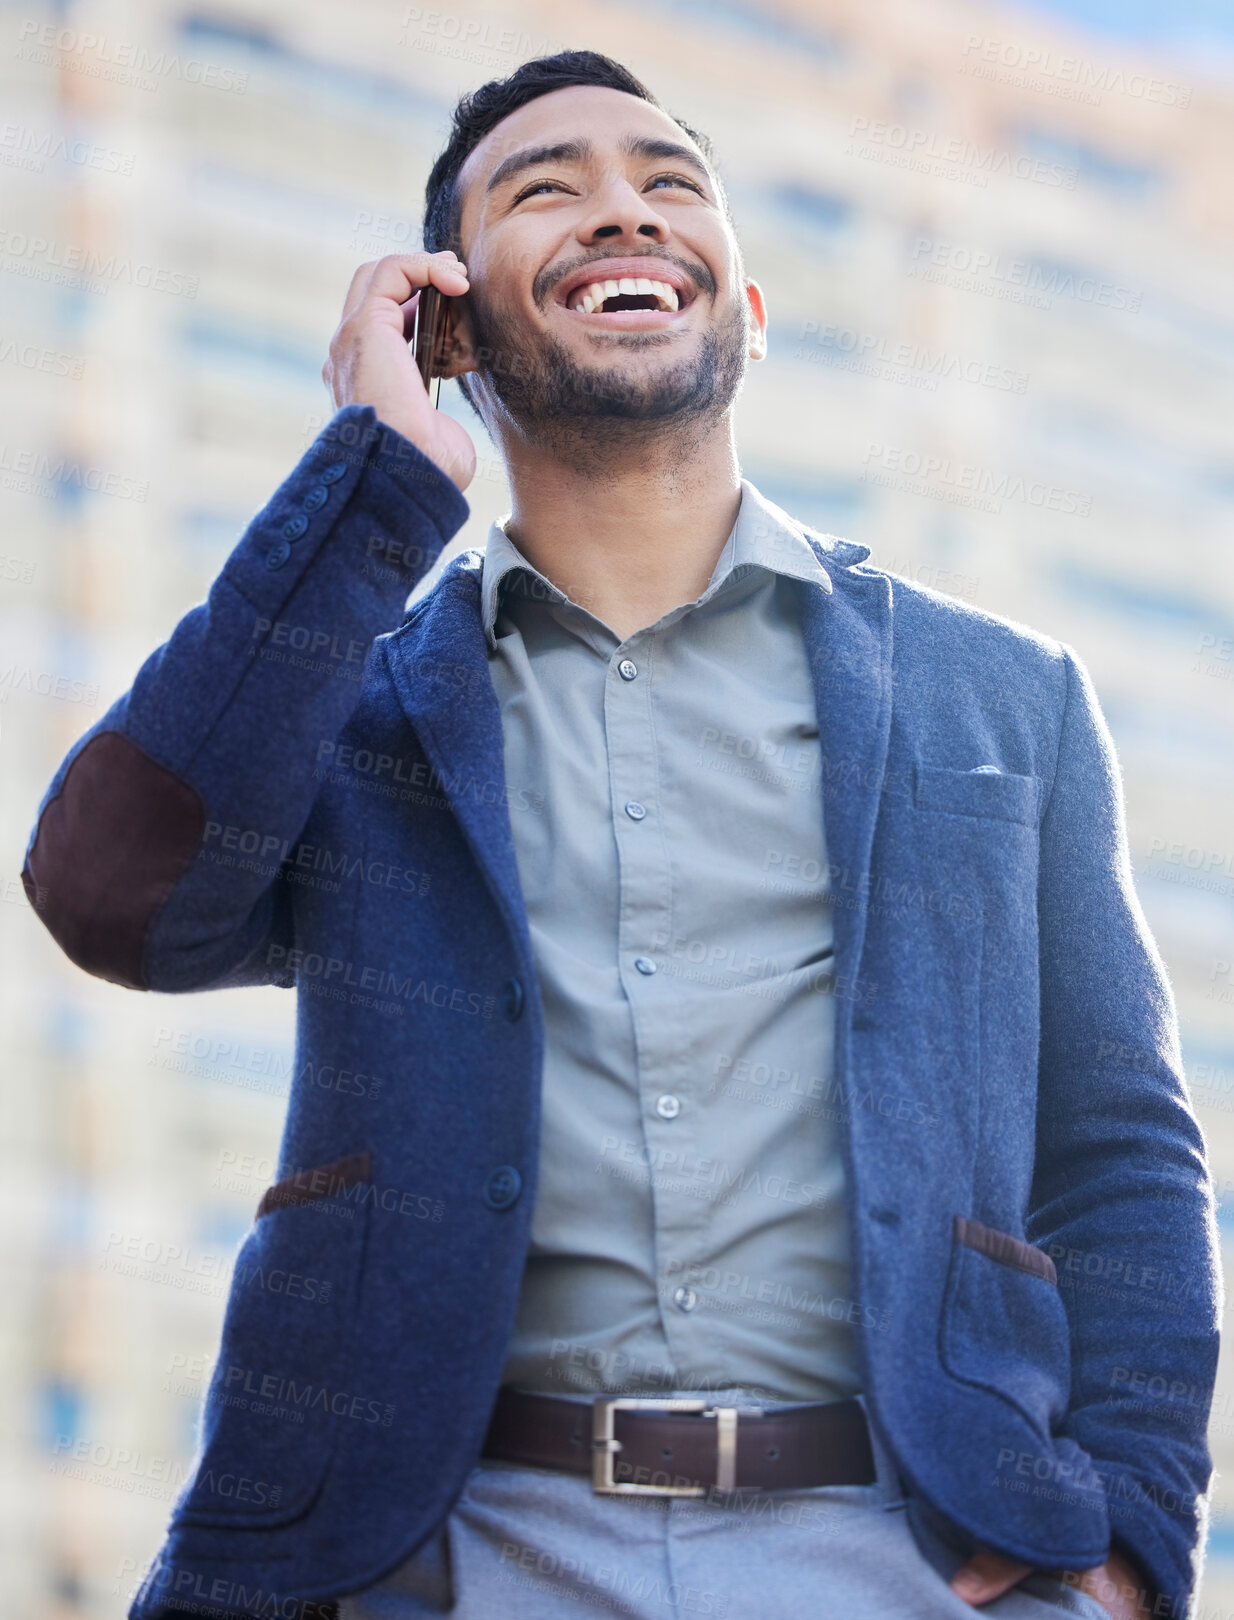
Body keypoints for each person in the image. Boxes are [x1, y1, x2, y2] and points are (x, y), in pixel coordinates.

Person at [22, 49, 1218, 1620]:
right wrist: (378, 479)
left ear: (748, 310)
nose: (617, 211)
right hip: (439, 1556)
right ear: (446, 320)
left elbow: (1119, 1148)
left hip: (905, 1554)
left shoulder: (998, 698)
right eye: (543, 192)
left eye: (668, 184)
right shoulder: (351, 705)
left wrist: (1125, 1543)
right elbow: (117, 895)